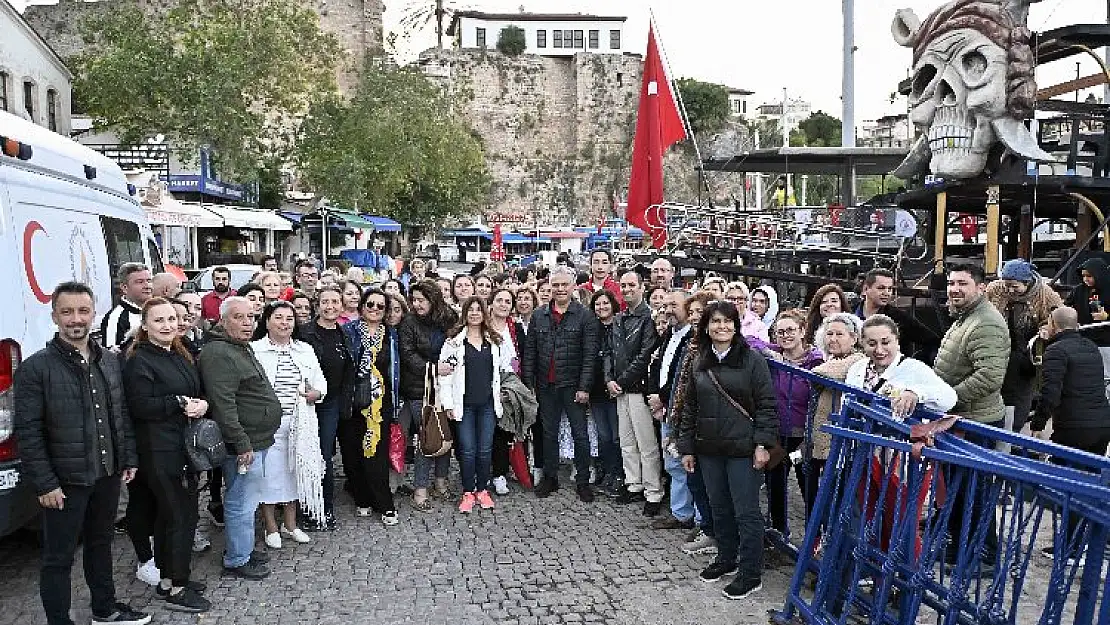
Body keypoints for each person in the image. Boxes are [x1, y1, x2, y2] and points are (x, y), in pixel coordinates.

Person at [13, 282, 150, 625]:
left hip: (106, 473)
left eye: (83, 311)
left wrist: (128, 457)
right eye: (67, 311)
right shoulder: (36, 368)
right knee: (58, 558)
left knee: (100, 545)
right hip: (64, 481)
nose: (76, 319)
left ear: (94, 314)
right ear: (55, 316)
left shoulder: (110, 361)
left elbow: (120, 414)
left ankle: (105, 610)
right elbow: (28, 432)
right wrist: (45, 484)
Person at [675, 300, 778, 600]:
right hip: (709, 448)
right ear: (706, 326)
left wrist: (763, 444)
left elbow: (767, 405)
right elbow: (690, 408)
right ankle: (727, 557)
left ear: (736, 325)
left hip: (743, 448)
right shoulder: (700, 360)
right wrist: (687, 447)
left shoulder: (752, 360)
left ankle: (750, 572)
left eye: (727, 321)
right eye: (716, 321)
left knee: (746, 512)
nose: (722, 327)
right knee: (719, 507)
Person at [122, 298, 210, 613]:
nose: (168, 325)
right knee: (179, 519)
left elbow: (194, 392)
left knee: (170, 517)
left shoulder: (179, 352)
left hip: (183, 446)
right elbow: (140, 405)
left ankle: (167, 580)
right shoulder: (139, 360)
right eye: (159, 320)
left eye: (172, 318)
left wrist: (200, 404)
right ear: (145, 325)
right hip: (159, 452)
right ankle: (177, 588)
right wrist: (178, 402)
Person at [198, 296, 282, 580]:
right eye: (239, 317)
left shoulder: (237, 346)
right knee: (240, 501)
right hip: (245, 443)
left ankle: (242, 548)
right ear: (223, 319)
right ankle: (236, 559)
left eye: (251, 317)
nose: (247, 323)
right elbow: (224, 404)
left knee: (248, 497)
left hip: (257, 438)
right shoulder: (219, 352)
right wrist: (241, 441)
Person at [933, 263, 1009, 570]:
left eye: (962, 283)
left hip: (976, 421)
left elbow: (990, 376)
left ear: (980, 287)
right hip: (961, 418)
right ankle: (960, 547)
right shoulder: (966, 317)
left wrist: (948, 398)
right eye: (951, 282)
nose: (954, 289)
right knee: (959, 489)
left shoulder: (986, 322)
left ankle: (984, 555)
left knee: (973, 491)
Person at [1030, 306, 1110, 559]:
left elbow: (1050, 393)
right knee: (1089, 484)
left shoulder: (1056, 351)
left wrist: (1038, 424)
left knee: (1070, 487)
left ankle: (1071, 547)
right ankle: (1091, 540)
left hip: (1074, 428)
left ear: (1054, 324)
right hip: (1100, 426)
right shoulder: (1091, 348)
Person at [251, 301, 327, 549]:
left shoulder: (304, 350)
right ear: (267, 321)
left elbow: (320, 382)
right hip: (268, 424)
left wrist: (316, 393)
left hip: (300, 422)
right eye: (279, 318)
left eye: (289, 319)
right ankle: (270, 525)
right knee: (269, 475)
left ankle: (291, 524)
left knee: (296, 472)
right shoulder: (255, 350)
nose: (284, 323)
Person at [522, 266, 598, 502]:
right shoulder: (539, 315)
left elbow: (590, 355)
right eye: (556, 285)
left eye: (564, 284)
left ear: (573, 286)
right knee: (548, 434)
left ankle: (583, 480)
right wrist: (529, 384)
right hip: (546, 385)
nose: (560, 289)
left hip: (573, 384)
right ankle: (550, 477)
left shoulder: (585, 315)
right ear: (549, 287)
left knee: (580, 435)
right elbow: (530, 353)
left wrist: (584, 387)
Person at [438, 297, 516, 512]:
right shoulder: (453, 342)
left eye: (478, 309)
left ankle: (482, 489)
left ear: (484, 313)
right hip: (464, 406)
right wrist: (448, 405)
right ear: (464, 313)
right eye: (470, 309)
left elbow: (507, 367)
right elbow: (445, 376)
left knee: (484, 450)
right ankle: (467, 491)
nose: (474, 313)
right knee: (467, 450)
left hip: (487, 406)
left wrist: (503, 391)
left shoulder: (494, 340)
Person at [341, 289, 400, 526]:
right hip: (354, 400)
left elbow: (396, 369)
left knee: (377, 452)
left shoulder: (392, 335)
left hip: (380, 402)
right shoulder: (348, 331)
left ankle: (384, 503)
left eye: (380, 306)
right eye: (370, 304)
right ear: (362, 306)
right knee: (354, 452)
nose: (375, 309)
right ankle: (361, 498)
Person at [762, 310, 823, 539]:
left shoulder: (815, 360)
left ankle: (814, 540)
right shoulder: (775, 355)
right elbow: (750, 341)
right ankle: (778, 533)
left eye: (790, 330)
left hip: (804, 435)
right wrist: (771, 352)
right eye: (780, 332)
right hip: (777, 433)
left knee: (808, 488)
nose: (785, 336)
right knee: (775, 485)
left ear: (802, 331)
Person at [398, 280, 458, 510]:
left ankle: (441, 482)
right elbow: (408, 354)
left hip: (446, 386)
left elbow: (456, 345)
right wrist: (432, 368)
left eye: (421, 300)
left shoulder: (449, 317)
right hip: (418, 389)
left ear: (433, 299)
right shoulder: (409, 322)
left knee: (445, 433)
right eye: (414, 300)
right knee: (427, 436)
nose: (417, 304)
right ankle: (420, 489)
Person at [297, 286, 352, 531]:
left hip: (332, 402)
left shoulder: (345, 333)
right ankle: (308, 507)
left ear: (342, 305)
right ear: (317, 305)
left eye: (335, 302)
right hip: (306, 401)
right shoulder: (305, 333)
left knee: (325, 455)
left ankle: (324, 507)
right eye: (325, 302)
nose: (330, 307)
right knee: (306, 453)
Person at [608, 271, 663, 514]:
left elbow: (644, 355)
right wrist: (609, 379)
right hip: (620, 389)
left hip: (638, 388)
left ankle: (653, 491)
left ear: (642, 287)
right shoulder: (619, 318)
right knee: (627, 442)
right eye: (624, 285)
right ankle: (634, 484)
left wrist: (620, 380)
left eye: (632, 285)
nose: (627, 289)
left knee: (647, 444)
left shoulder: (649, 319)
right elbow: (608, 351)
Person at [985, 259, 1062, 433]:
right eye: (1007, 285)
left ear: (1027, 282)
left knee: (1021, 391)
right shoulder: (995, 289)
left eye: (1015, 286)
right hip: (998, 347)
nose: (1010, 290)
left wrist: (1045, 329)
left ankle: (1015, 427)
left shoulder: (1045, 294)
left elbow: (1057, 317)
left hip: (1027, 350)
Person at [647, 291, 703, 530]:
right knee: (672, 463)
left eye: (674, 305)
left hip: (682, 409)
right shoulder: (668, 334)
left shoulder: (694, 337)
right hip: (667, 409)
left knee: (689, 463)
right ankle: (681, 513)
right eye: (666, 305)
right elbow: (658, 366)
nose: (669, 309)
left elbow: (683, 377)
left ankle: (700, 520)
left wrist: (661, 397)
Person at [809, 313, 867, 521]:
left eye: (839, 334)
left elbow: (820, 374)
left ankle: (847, 549)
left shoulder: (858, 359)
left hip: (844, 442)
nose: (832, 338)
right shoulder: (832, 359)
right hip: (826, 440)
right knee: (829, 497)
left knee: (845, 501)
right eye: (829, 333)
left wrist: (814, 374)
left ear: (853, 338)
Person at [487, 288, 525, 495]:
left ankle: (500, 473)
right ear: (491, 303)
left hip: (510, 384)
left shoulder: (515, 328)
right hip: (484, 382)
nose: (503, 304)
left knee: (504, 430)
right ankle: (481, 472)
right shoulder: (482, 326)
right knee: (485, 432)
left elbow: (523, 357)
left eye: (507, 301)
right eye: (499, 300)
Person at [854, 268, 939, 360]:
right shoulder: (850, 311)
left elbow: (933, 341)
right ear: (866, 289)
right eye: (881, 288)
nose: (886, 293)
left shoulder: (899, 317)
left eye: (890, 289)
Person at [589, 290, 622, 497]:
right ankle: (608, 471)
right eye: (598, 304)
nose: (601, 307)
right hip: (596, 389)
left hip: (615, 387)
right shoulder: (592, 329)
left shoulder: (620, 325)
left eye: (605, 303)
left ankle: (619, 474)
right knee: (603, 435)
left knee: (617, 435)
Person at [1065, 258, 1110, 368]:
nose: (1085, 279)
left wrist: (1107, 316)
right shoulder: (1079, 290)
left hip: (1105, 340)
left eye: (1089, 276)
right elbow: (1066, 307)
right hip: (1083, 337)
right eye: (1083, 276)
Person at [101, 262, 153, 349]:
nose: (147, 286)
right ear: (124, 287)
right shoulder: (115, 318)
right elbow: (111, 356)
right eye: (140, 282)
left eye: (149, 281)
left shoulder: (158, 310)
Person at [724, 282, 770, 347]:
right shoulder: (719, 320)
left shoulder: (759, 326)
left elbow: (764, 349)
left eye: (740, 299)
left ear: (746, 301)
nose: (736, 302)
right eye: (731, 299)